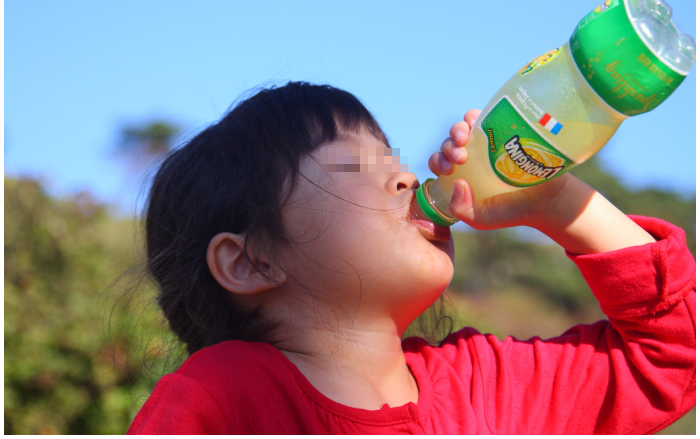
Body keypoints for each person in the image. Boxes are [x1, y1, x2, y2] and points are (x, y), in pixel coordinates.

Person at [127, 82, 695, 434]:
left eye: (393, 159)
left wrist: (554, 200)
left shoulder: (486, 385)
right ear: (250, 262)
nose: (405, 175)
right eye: (357, 167)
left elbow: (672, 359)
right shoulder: (224, 398)